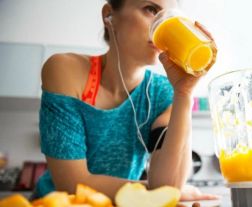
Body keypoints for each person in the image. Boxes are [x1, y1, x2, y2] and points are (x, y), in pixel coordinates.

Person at [34, 0, 218, 201]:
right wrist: (159, 192)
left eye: (171, 16)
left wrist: (184, 94)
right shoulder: (65, 70)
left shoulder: (164, 92)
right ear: (108, 15)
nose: (162, 24)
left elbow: (168, 184)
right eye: (151, 9)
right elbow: (71, 183)